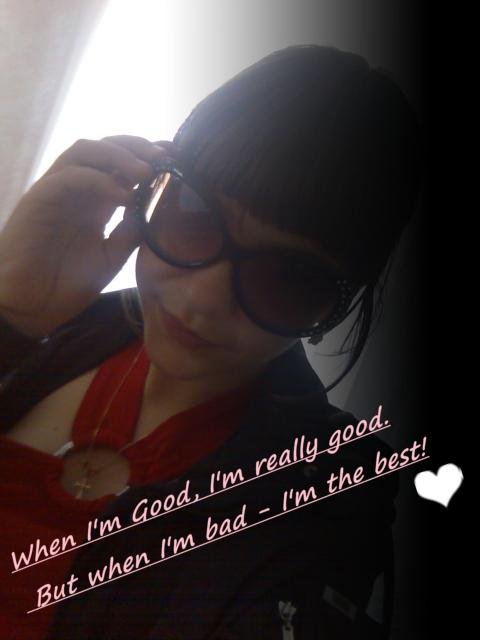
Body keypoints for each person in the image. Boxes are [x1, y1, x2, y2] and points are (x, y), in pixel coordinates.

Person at [0, 44, 423, 639]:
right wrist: (11, 318)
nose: (202, 298)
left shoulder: (324, 498)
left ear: (333, 308)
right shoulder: (67, 330)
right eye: (194, 213)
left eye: (286, 278)